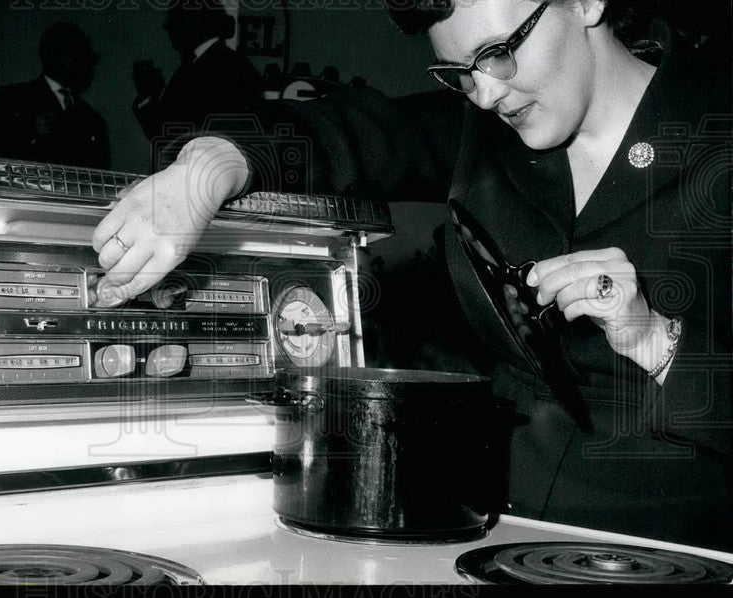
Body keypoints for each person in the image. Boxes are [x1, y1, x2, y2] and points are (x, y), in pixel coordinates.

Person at [90, 0, 732, 551]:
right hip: (492, 530)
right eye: (460, 72)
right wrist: (202, 173)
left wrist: (653, 337)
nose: (485, 93)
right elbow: (336, 132)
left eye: (499, 52)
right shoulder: (482, 131)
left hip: (669, 544)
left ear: (586, 3)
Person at [0, 22, 110, 169]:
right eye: (74, 52)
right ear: (50, 55)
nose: (81, 61)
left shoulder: (93, 119)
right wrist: (30, 135)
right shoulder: (12, 98)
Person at [132, 0, 262, 147]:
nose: (165, 25)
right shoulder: (205, 65)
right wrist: (148, 95)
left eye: (174, 17)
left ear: (194, 21)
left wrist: (147, 97)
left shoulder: (221, 69)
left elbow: (169, 139)